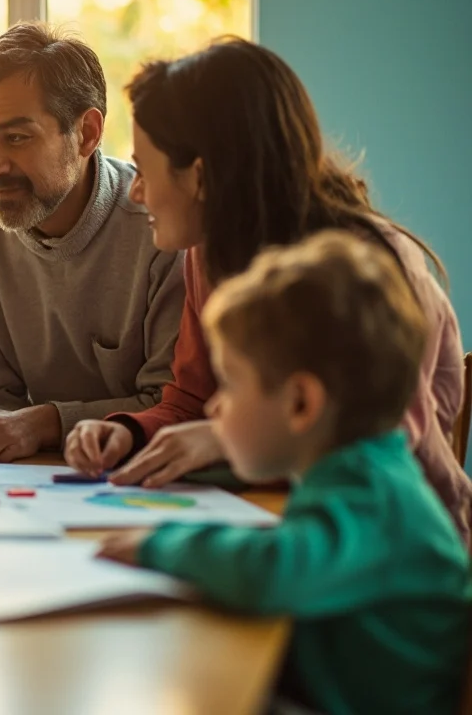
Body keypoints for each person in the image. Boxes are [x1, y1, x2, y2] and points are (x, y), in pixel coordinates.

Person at [64, 37, 472, 542]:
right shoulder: (207, 254)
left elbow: (380, 446)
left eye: (145, 170)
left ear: (201, 176)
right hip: (286, 519)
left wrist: (220, 438)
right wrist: (129, 433)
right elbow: (192, 400)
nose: (135, 190)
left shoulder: (370, 270)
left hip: (391, 549)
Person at [97, 232, 472, 715]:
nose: (214, 405)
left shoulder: (370, 494)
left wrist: (159, 545)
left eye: (230, 384)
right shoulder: (358, 470)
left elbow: (272, 571)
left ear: (301, 403)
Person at [0, 23, 183, 462]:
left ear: (87, 134)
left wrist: (44, 423)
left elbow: (176, 406)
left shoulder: (165, 233)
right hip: (34, 492)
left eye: (17, 138)